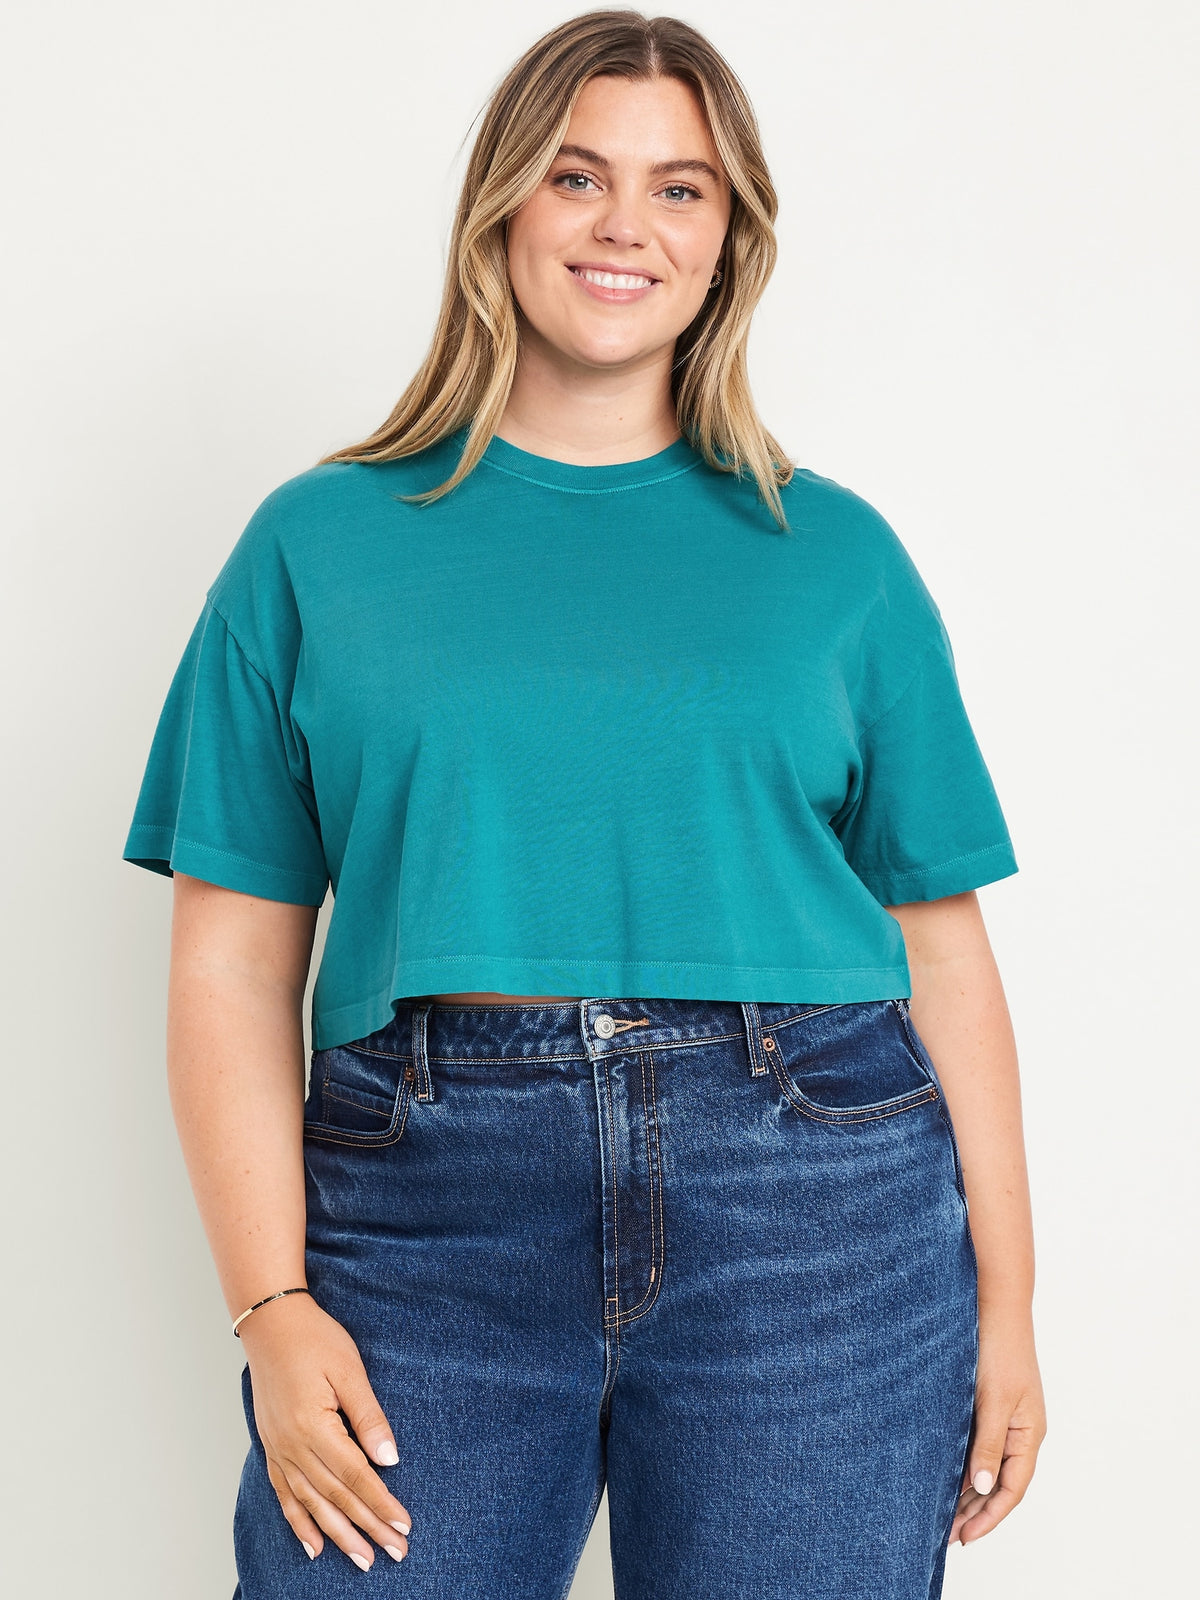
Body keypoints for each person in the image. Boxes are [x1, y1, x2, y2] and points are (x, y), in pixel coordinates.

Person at [121, 10, 1046, 1597]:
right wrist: (271, 1308)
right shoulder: (317, 545)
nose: (627, 224)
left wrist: (1012, 1309)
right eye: (578, 175)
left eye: (681, 189)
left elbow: (942, 952)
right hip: (425, 1220)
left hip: (814, 1207)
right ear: (502, 209)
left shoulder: (836, 558)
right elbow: (231, 959)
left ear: (728, 240)